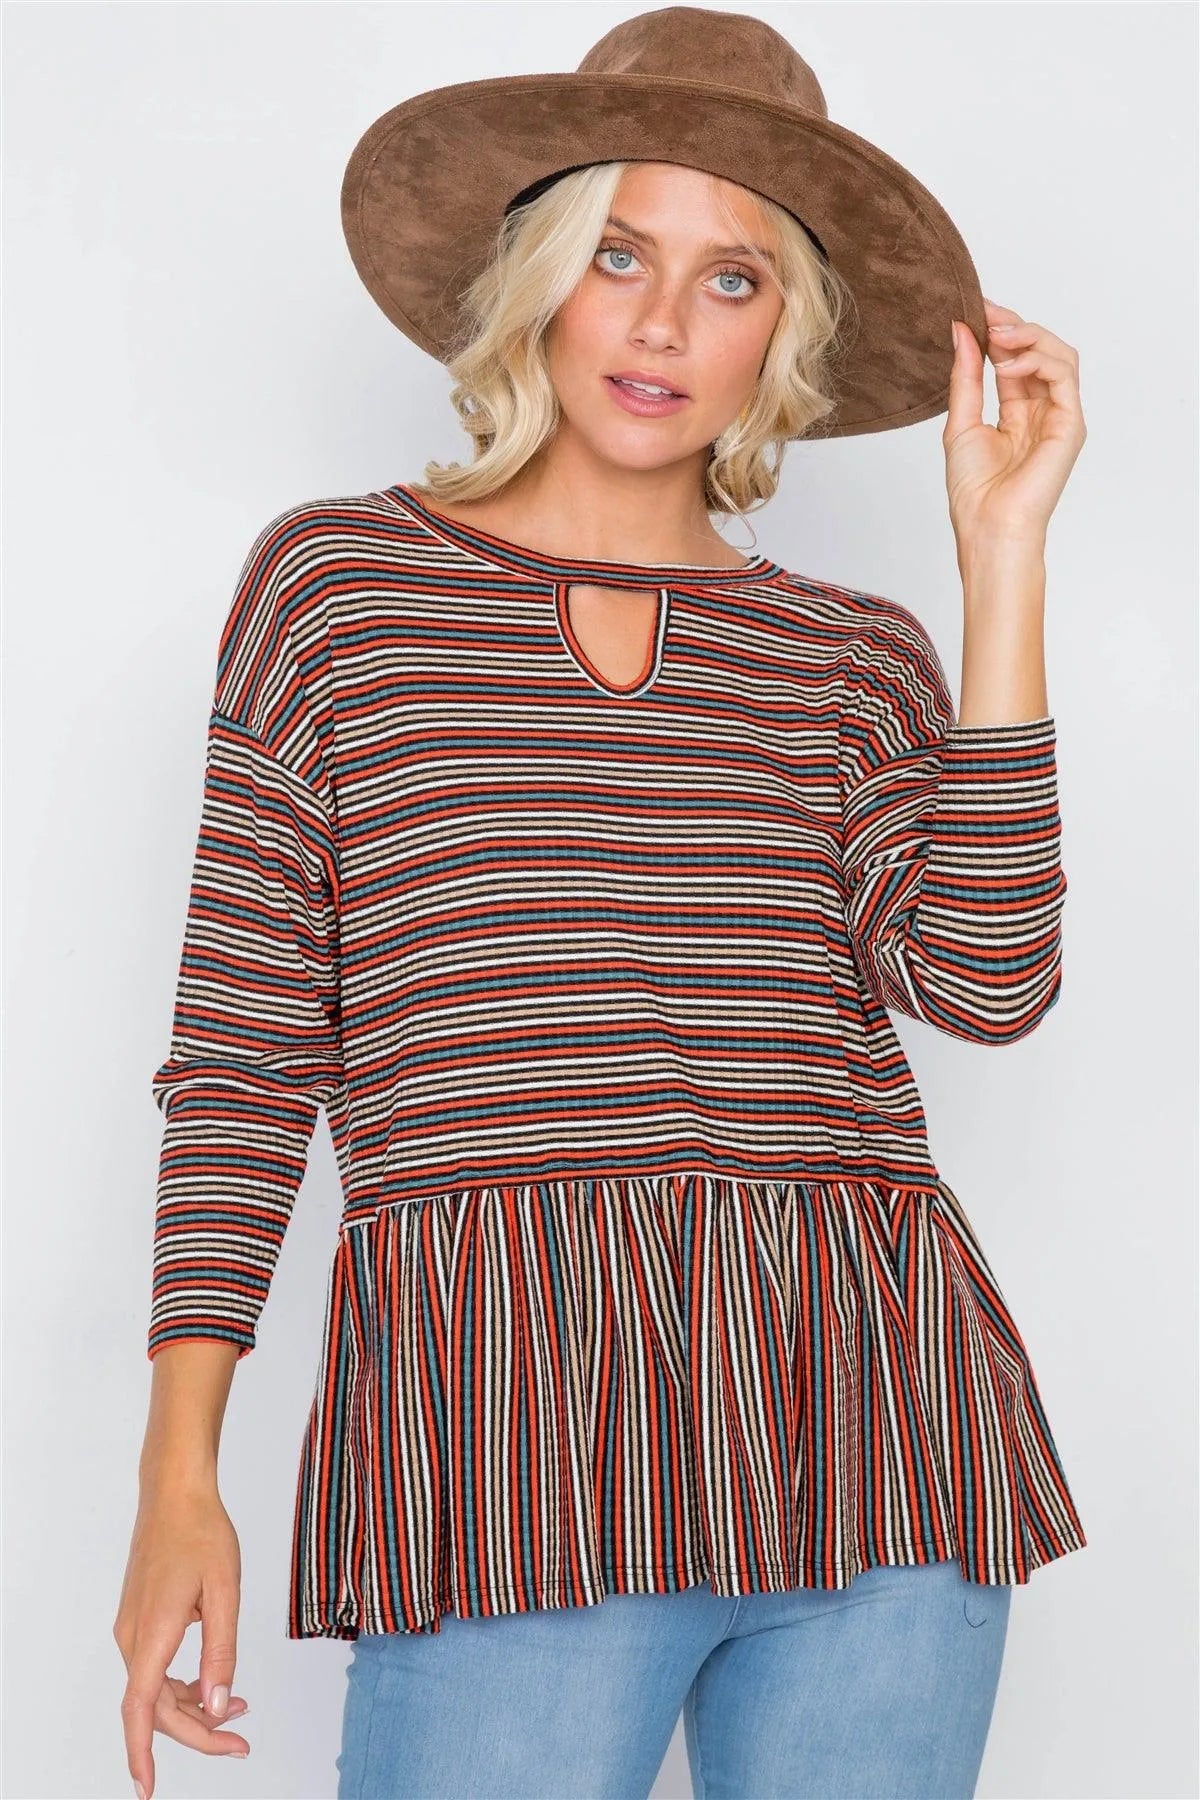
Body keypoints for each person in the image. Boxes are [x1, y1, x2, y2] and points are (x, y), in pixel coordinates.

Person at [114, 8, 1089, 1798]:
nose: (660, 323)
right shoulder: (341, 587)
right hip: (512, 1441)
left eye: (732, 279)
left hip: (877, 1432)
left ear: (784, 331)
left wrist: (1000, 558)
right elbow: (245, 1056)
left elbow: (990, 978)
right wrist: (182, 1473)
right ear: (537, 277)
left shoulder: (851, 655)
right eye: (619, 254)